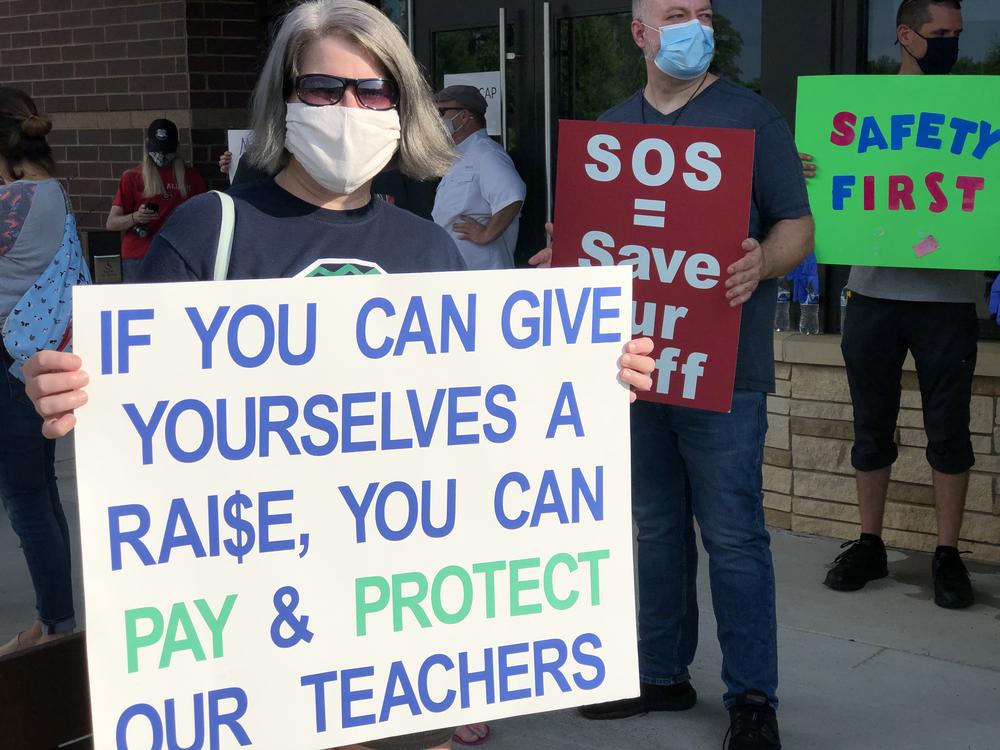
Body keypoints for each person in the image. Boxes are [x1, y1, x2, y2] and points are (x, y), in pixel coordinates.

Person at [20, 1, 656, 748]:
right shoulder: (207, 232)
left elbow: (472, 438)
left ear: (401, 105)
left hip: (388, 643)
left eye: (374, 90)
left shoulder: (427, 250)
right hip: (252, 634)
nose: (350, 108)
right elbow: (136, 408)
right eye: (322, 88)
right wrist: (70, 393)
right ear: (283, 100)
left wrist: (581, 372)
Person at [533, 2, 814, 748]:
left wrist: (767, 261)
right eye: (675, 12)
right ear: (640, 34)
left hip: (725, 370)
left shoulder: (751, 118)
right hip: (634, 371)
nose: (695, 24)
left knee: (734, 534)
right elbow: (590, 241)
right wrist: (561, 266)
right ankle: (660, 672)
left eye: (704, 12)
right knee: (654, 528)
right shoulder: (609, 129)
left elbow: (796, 222)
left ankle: (753, 696)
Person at [801, 0, 977, 610]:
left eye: (958, 34)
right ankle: (869, 541)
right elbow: (821, 185)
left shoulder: (981, 111)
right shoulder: (855, 112)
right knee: (871, 426)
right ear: (906, 36)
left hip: (949, 298)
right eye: (939, 34)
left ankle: (947, 553)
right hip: (873, 294)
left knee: (948, 430)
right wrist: (809, 169)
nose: (952, 43)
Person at [0, 87, 81, 656]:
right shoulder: (52, 192)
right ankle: (58, 619)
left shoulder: (14, 201)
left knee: (25, 500)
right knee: (42, 495)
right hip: (40, 358)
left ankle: (53, 627)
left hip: (12, 368)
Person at [431, 85, 526, 270]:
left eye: (442, 112)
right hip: (459, 272)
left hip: (483, 275)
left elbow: (512, 196)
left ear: (465, 116)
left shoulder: (487, 154)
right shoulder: (460, 155)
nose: (437, 119)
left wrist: (486, 234)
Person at [105, 118, 207, 282]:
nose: (161, 155)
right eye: (157, 149)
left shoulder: (191, 178)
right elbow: (111, 223)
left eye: (166, 150)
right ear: (147, 145)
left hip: (177, 254)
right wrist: (136, 217)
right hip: (139, 253)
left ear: (176, 147)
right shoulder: (132, 177)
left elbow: (204, 219)